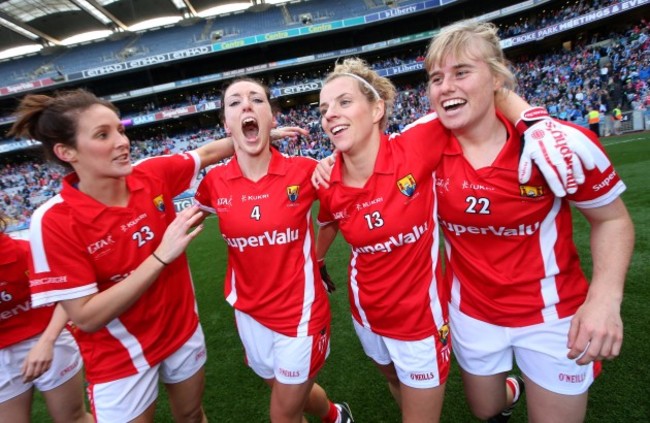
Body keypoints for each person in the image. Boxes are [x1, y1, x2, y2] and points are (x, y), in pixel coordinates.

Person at [7, 88, 299, 423]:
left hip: (181, 332)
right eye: (103, 135)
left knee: (190, 415)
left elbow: (205, 152)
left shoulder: (150, 173)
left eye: (120, 129)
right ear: (66, 151)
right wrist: (160, 257)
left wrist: (259, 135)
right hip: (119, 358)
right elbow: (86, 316)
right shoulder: (54, 220)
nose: (121, 142)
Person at [426, 21, 633, 422]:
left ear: (497, 77)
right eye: (436, 78)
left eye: (461, 72)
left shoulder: (557, 144)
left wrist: (606, 298)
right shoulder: (425, 147)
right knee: (486, 410)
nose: (445, 86)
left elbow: (612, 220)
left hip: (554, 315)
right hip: (472, 312)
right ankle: (514, 388)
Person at [193, 78, 353, 423]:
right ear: (225, 123)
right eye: (234, 103)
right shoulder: (213, 183)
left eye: (257, 100)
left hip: (301, 315)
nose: (246, 106)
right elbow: (185, 223)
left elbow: (333, 217)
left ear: (272, 117)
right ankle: (335, 416)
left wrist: (320, 257)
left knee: (282, 413)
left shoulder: (305, 172)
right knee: (289, 392)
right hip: (248, 313)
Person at [0, 211, 93, 423]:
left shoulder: (24, 253)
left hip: (46, 338)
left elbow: (68, 292)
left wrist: (46, 342)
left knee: (72, 419)